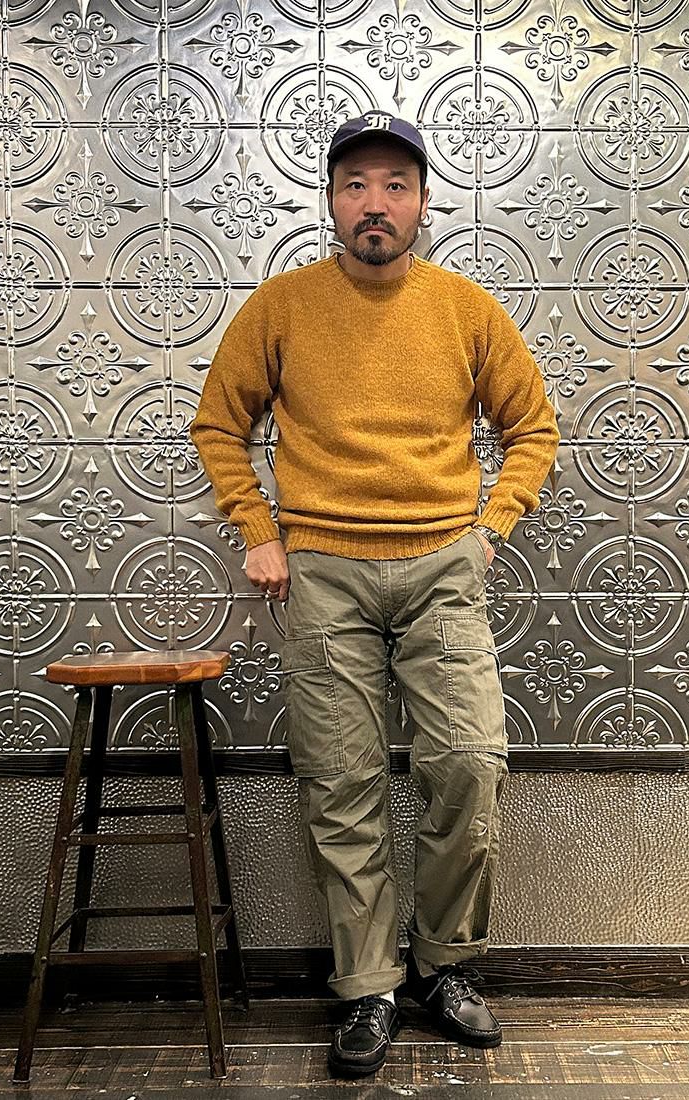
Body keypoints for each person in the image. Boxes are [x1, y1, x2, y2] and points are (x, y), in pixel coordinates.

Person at [190, 111, 559, 1078]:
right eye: (355, 185)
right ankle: (366, 987)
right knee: (341, 780)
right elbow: (219, 425)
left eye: (396, 184)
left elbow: (533, 428)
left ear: (424, 203)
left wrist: (490, 531)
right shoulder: (281, 306)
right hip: (323, 572)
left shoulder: (467, 309)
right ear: (331, 202)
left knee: (469, 766)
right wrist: (259, 532)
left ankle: (445, 967)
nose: (375, 203)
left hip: (444, 566)